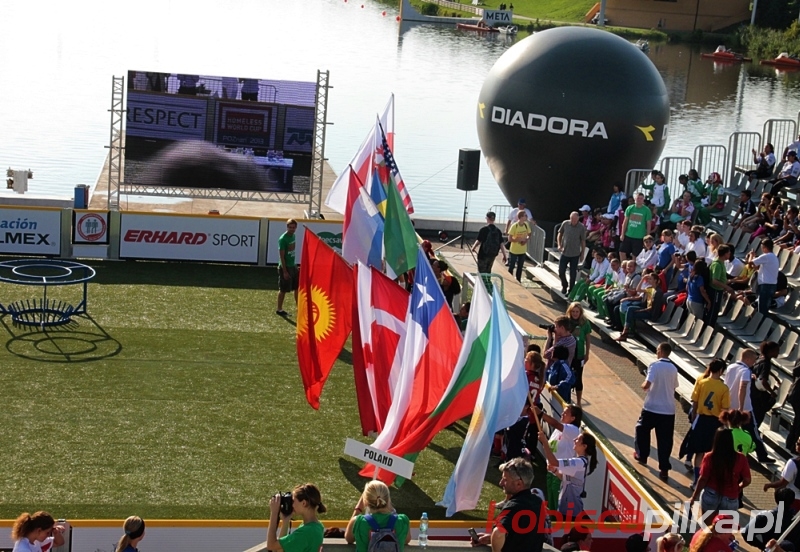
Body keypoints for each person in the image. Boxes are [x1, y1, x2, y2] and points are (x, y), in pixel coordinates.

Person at [472, 457, 545, 552]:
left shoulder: (513, 505)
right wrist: (490, 539)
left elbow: (498, 533)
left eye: (505, 479)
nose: (501, 483)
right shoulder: (538, 502)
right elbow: (524, 538)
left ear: (519, 484)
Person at [634, 342, 678, 481]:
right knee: (665, 440)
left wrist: (643, 385)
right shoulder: (673, 368)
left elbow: (647, 384)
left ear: (660, 351)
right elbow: (674, 386)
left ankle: (642, 454)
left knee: (641, 429)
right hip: (668, 410)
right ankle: (664, 468)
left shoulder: (654, 365)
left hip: (652, 407)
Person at [686, 359, 730, 489]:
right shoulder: (723, 388)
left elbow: (694, 401)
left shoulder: (702, 382)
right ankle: (706, 480)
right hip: (714, 422)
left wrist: (694, 416)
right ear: (721, 371)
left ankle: (696, 481)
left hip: (701, 419)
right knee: (710, 453)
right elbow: (725, 409)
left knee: (698, 452)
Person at [724, 349, 772, 463]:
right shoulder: (745, 371)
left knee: (727, 430)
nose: (754, 363)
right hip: (745, 408)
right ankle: (762, 456)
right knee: (753, 431)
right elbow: (743, 387)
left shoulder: (731, 367)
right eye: (754, 360)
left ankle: (727, 450)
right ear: (747, 359)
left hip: (730, 405)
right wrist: (741, 408)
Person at [538, 429, 598, 517]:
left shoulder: (578, 463)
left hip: (570, 511)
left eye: (578, 439)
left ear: (584, 446)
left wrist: (545, 443)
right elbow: (566, 479)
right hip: (567, 508)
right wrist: (555, 471)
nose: (574, 440)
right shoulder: (579, 462)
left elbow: (554, 462)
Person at [536, 404, 583, 512]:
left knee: (557, 506)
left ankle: (557, 527)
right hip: (551, 471)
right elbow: (551, 447)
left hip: (561, 475)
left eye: (566, 413)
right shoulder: (558, 431)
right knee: (551, 504)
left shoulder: (573, 430)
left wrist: (541, 414)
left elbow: (555, 423)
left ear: (573, 418)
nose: (562, 414)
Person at [345, 480, 410, 552]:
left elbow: (349, 539)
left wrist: (358, 508)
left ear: (365, 501)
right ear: (388, 499)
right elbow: (406, 540)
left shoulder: (358, 521)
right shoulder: (402, 521)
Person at [267, 483, 326, 552]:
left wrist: (274, 513)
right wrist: (285, 522)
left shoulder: (305, 533)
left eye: (293, 501)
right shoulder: (317, 526)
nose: (291, 505)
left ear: (304, 503)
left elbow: (271, 546)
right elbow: (280, 549)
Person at [751, 340, 781, 433]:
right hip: (758, 395)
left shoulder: (760, 358)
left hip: (752, 391)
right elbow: (764, 381)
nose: (778, 352)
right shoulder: (766, 363)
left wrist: (774, 376)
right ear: (770, 351)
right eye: (776, 350)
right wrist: (772, 393)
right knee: (758, 416)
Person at [566, 302, 591, 407]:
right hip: (567, 354)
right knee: (566, 376)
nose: (575, 314)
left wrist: (587, 354)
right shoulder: (566, 321)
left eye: (577, 312)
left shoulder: (585, 323)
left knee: (578, 377)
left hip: (579, 354)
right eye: (573, 311)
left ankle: (579, 402)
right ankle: (566, 399)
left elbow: (588, 340)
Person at [764, 438, 800, 512]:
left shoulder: (793, 463)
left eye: (798, 443)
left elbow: (782, 483)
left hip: (793, 500)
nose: (796, 443)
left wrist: (770, 485)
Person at [747, 238, 780, 315]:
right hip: (772, 285)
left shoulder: (766, 256)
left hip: (766, 286)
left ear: (765, 247)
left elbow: (750, 263)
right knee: (764, 307)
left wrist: (751, 255)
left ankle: (760, 324)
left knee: (762, 309)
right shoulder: (774, 257)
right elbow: (757, 267)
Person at [557, 211, 587, 295]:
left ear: (578, 219)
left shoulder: (581, 227)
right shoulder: (565, 223)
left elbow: (583, 241)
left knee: (573, 274)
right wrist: (559, 245)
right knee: (561, 271)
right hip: (565, 252)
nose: (573, 221)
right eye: (571, 219)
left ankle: (571, 290)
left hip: (575, 254)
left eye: (574, 219)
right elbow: (560, 233)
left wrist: (582, 253)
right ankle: (564, 285)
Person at [619, 193, 653, 261]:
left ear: (643, 200)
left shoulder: (646, 210)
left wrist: (647, 236)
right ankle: (624, 267)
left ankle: (632, 269)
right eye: (638, 198)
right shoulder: (630, 208)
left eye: (641, 198)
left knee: (635, 255)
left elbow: (648, 224)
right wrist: (622, 234)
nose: (639, 200)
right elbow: (625, 222)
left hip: (639, 237)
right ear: (635, 199)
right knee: (622, 251)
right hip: (628, 235)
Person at [276, 219, 299, 316]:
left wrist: (294, 266)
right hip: (285, 267)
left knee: (297, 287)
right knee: (283, 289)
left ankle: (299, 307)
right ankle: (279, 309)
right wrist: (285, 271)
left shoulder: (293, 236)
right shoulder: (283, 239)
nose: (292, 229)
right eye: (290, 227)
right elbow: (282, 256)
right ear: (287, 227)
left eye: (293, 228)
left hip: (292, 266)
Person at [507, 210, 532, 282]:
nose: (527, 217)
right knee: (511, 266)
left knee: (520, 267)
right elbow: (509, 239)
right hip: (514, 250)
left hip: (522, 250)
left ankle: (518, 280)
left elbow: (529, 234)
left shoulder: (526, 224)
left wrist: (526, 240)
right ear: (521, 217)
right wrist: (518, 240)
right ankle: (510, 280)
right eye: (525, 216)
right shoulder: (514, 226)